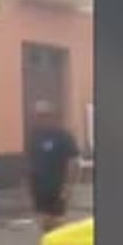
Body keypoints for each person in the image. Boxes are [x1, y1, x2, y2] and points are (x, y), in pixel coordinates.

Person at [25, 99, 80, 232]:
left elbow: (73, 162)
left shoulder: (64, 136)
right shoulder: (34, 135)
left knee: (57, 224)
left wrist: (67, 188)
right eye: (38, 116)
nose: (41, 119)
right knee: (44, 224)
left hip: (57, 188)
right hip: (39, 189)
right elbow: (29, 160)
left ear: (53, 116)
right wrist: (28, 185)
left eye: (45, 115)